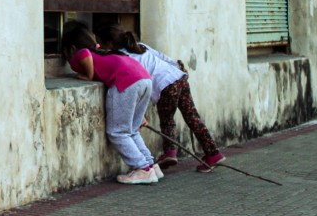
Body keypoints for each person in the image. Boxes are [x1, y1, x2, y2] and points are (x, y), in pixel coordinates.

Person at [95, 24, 225, 172]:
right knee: (193, 117)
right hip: (178, 78)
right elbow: (164, 58)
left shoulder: (121, 58)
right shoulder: (140, 46)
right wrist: (179, 68)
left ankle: (170, 152)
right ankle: (213, 153)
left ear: (109, 44)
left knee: (167, 120)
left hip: (164, 86)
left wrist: (138, 111)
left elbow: (133, 84)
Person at [59, 24, 159, 184]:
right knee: (132, 130)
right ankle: (150, 165)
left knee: (117, 131)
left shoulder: (82, 53)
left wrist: (87, 76)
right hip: (144, 79)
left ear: (71, 47)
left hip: (125, 82)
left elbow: (84, 54)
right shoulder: (105, 53)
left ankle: (142, 168)